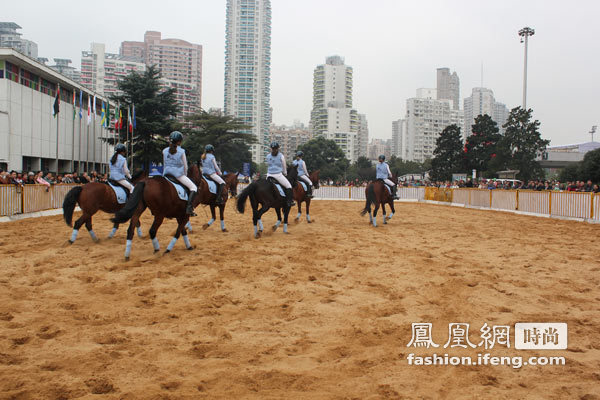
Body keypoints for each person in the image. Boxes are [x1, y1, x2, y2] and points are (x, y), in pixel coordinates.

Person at [163, 131, 198, 216]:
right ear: (179, 141)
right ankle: (189, 208)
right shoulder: (181, 151)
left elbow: (164, 163)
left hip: (166, 173)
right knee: (194, 188)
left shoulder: (164, 151)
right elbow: (185, 166)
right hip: (178, 175)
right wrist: (185, 175)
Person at [266, 141, 295, 207]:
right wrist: (285, 173)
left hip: (269, 175)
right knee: (289, 186)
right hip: (278, 175)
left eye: (275, 148)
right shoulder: (281, 156)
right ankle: (289, 201)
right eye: (273, 149)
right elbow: (284, 166)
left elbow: (269, 165)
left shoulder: (268, 156)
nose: (274, 150)